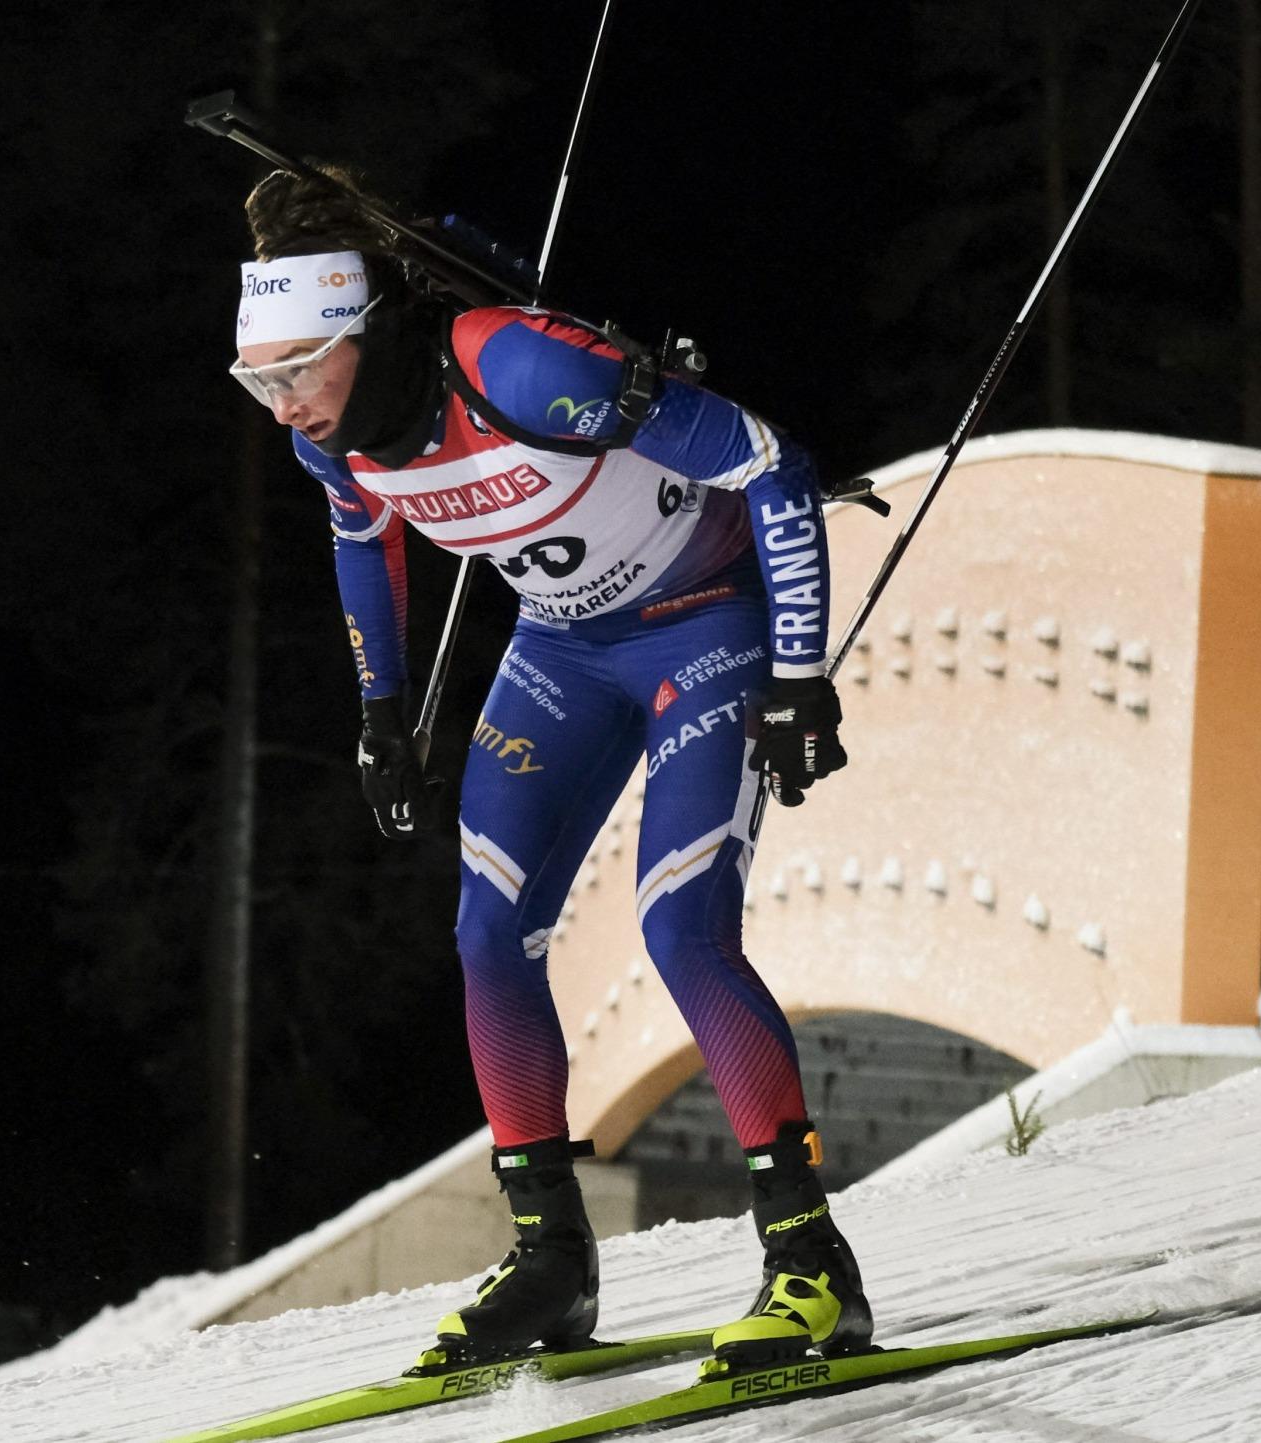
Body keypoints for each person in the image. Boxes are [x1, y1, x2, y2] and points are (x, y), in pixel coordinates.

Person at [230, 167, 869, 1375]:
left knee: (682, 927)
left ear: (359, 338)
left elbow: (771, 461)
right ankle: (551, 1267)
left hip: (704, 625)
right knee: (485, 933)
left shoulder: (518, 365)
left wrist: (798, 676)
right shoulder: (335, 437)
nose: (282, 408)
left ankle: (809, 1268)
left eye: (295, 373)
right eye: (257, 382)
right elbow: (361, 536)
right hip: (565, 652)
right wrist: (383, 712)